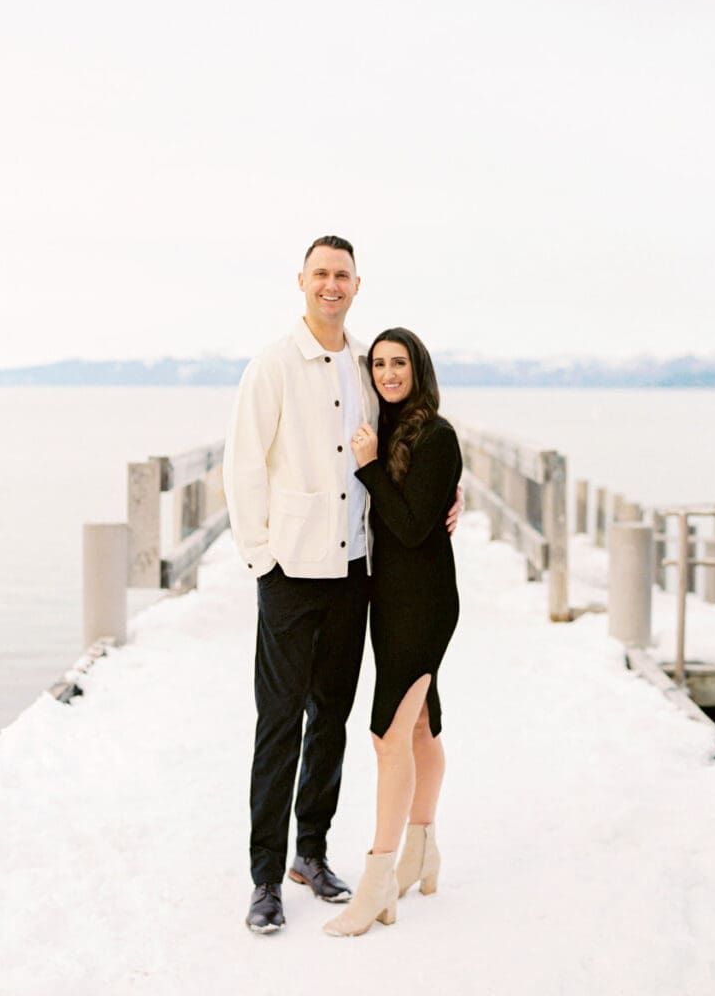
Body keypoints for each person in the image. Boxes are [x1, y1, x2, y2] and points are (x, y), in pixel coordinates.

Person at [223, 237, 461, 934]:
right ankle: (265, 877)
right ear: (302, 281)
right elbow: (242, 466)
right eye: (320, 274)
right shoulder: (271, 366)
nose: (331, 285)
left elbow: (408, 444)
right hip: (291, 573)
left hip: (356, 573)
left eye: (342, 275)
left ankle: (312, 855)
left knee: (330, 722)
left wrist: (453, 494)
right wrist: (260, 558)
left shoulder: (365, 366)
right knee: (279, 726)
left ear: (357, 284)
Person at [323, 327, 462, 937]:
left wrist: (369, 468)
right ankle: (422, 851)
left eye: (398, 362)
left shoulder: (436, 434)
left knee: (387, 736)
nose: (387, 372)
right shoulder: (391, 429)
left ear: (418, 367)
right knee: (420, 726)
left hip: (424, 603)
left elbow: (408, 527)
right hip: (393, 599)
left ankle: (378, 878)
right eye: (378, 363)